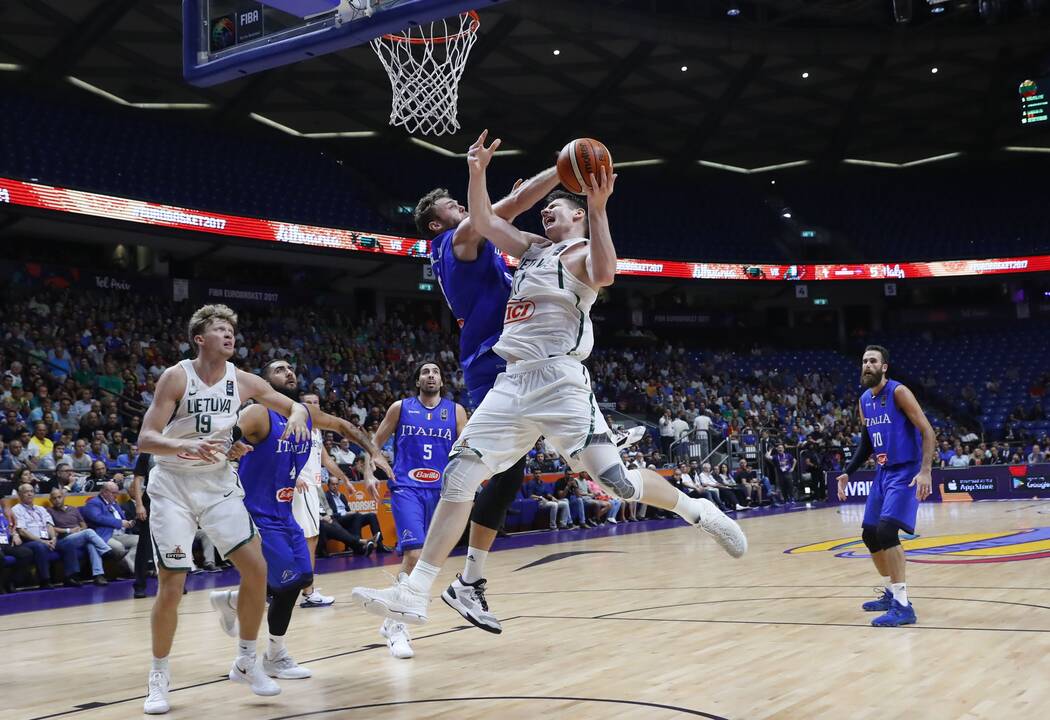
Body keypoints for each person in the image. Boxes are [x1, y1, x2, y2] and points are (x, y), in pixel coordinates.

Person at [351, 131, 745, 631]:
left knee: (617, 483)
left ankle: (696, 509)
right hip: (511, 379)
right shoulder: (531, 249)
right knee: (462, 472)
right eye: (546, 212)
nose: (545, 214)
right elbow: (494, 217)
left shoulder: (580, 250)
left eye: (556, 208)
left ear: (577, 215)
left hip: (560, 381)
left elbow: (605, 274)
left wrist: (598, 207)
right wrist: (477, 174)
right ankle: (414, 590)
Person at [136, 304, 311, 714]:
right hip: (174, 487)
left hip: (217, 483)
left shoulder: (245, 381)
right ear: (200, 338)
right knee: (171, 584)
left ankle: (247, 661)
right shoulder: (177, 376)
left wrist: (301, 412)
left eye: (232, 329)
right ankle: (158, 674)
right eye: (220, 328)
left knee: (257, 570)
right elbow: (146, 438)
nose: (229, 334)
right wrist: (184, 445)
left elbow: (290, 406)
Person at [370, 360, 466, 658]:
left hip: (442, 492)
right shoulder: (400, 407)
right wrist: (368, 471)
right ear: (417, 381)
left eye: (435, 371)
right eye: (425, 372)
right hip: (407, 487)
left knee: (427, 561)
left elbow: (467, 447)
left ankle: (390, 620)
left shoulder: (456, 411)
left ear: (442, 380)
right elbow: (375, 442)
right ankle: (398, 629)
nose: (431, 375)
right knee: (413, 554)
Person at [837, 345, 934, 628]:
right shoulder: (864, 399)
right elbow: (866, 442)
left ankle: (903, 605)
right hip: (882, 472)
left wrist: (925, 471)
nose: (867, 365)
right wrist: (847, 472)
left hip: (906, 470)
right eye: (864, 360)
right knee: (869, 534)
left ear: (884, 367)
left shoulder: (899, 392)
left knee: (887, 530)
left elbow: (928, 430)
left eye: (873, 361)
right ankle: (891, 593)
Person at [292, 390, 388, 609]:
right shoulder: (298, 426)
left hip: (313, 486)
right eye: (308, 403)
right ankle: (307, 592)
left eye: (316, 402)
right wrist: (294, 477)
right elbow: (285, 454)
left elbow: (326, 460)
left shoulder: (316, 431)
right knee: (309, 539)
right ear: (300, 406)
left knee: (303, 539)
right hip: (301, 487)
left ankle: (291, 586)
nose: (313, 406)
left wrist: (346, 480)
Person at [47, 487, 113, 585]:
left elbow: (84, 525)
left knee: (91, 543)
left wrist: (80, 530)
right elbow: (50, 528)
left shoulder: (73, 509)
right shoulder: (49, 511)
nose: (57, 500)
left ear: (64, 497)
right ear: (51, 500)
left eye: (59, 497)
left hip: (79, 536)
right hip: (64, 538)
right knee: (89, 532)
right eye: (54, 498)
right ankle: (106, 550)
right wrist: (69, 530)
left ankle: (98, 575)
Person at [82, 481, 138, 574]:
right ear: (104, 492)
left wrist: (128, 523)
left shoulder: (114, 503)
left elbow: (122, 518)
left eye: (117, 492)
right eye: (114, 492)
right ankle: (131, 570)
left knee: (140, 540)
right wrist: (120, 523)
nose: (116, 495)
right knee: (119, 547)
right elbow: (97, 518)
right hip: (105, 535)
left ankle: (127, 560)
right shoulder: (93, 503)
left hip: (121, 534)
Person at [10, 482, 57, 588]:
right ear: (20, 495)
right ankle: (45, 580)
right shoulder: (16, 509)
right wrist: (42, 541)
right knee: (39, 546)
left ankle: (72, 576)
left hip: (47, 539)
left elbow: (49, 525)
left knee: (68, 544)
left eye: (31, 491)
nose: (30, 494)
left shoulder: (40, 509)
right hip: (29, 542)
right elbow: (22, 531)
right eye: (26, 492)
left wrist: (53, 538)